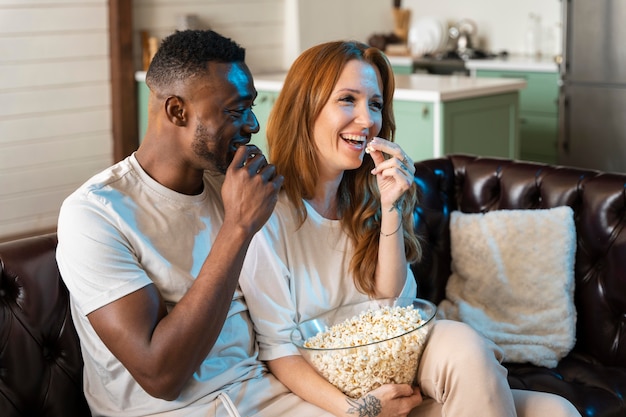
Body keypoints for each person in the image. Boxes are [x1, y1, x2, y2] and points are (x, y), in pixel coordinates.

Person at [239, 40, 582, 417]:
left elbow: (394, 306)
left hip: (401, 356)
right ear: (305, 108)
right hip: (340, 390)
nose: (368, 120)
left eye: (374, 104)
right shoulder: (265, 214)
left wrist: (390, 210)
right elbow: (279, 351)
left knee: (555, 409)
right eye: (347, 100)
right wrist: (361, 409)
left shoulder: (370, 193)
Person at [55, 29, 332, 417]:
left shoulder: (232, 185)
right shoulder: (95, 215)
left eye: (251, 107)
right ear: (177, 111)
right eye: (235, 111)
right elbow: (160, 375)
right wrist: (238, 228)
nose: (252, 124)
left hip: (266, 395)